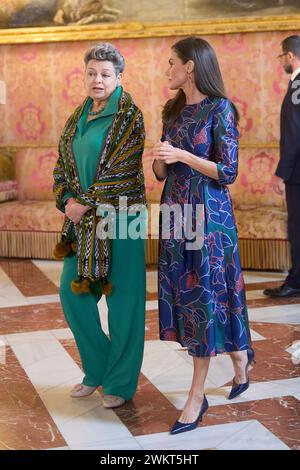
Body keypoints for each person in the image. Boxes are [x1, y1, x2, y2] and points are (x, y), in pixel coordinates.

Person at [152, 36, 255, 435]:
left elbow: (227, 172)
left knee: (206, 298)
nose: (168, 70)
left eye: (172, 63)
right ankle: (241, 358)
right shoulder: (172, 110)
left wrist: (184, 156)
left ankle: (196, 397)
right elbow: (163, 174)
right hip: (176, 214)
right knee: (190, 293)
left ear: (191, 67)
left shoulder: (220, 109)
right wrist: (161, 160)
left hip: (210, 219)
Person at [53, 42, 147, 408]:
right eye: (92, 73)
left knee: (123, 302)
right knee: (71, 293)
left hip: (123, 217)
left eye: (106, 74)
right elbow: (62, 166)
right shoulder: (77, 116)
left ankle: (120, 384)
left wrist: (83, 204)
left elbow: (120, 172)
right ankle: (97, 369)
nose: (97, 79)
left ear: (119, 77)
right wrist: (67, 201)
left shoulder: (129, 115)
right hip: (82, 219)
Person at [264, 35, 300, 298]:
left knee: (297, 228)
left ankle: (296, 281)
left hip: (298, 173)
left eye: (281, 57)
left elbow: (294, 133)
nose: (282, 62)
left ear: (290, 56)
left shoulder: (298, 85)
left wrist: (281, 172)